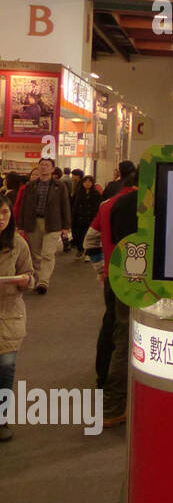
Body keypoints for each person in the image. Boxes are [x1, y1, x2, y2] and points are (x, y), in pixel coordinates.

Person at [100, 184, 139, 428]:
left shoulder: (119, 203)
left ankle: (113, 405)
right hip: (143, 282)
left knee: (120, 335)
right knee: (126, 340)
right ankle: (113, 406)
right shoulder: (155, 203)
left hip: (121, 275)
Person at [0, 195, 35, 441]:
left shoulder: (18, 243)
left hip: (8, 314)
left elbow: (29, 274)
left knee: (6, 368)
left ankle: (1, 420)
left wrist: (25, 281)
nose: (1, 219)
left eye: (5, 213)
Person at [16, 157, 71, 295]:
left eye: (47, 165)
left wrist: (66, 226)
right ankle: (39, 278)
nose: (43, 167)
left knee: (48, 253)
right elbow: (23, 206)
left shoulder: (60, 186)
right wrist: (20, 225)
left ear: (52, 169)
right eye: (41, 165)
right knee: (36, 254)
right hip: (33, 222)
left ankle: (43, 281)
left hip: (53, 223)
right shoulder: (30, 186)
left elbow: (65, 206)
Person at [71, 174, 103, 259]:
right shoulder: (78, 193)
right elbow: (74, 205)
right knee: (78, 235)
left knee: (87, 236)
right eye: (85, 182)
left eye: (89, 182)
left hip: (90, 218)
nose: (87, 184)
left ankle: (87, 253)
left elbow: (98, 206)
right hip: (79, 218)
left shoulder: (96, 194)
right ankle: (80, 249)